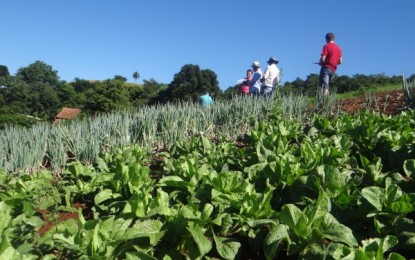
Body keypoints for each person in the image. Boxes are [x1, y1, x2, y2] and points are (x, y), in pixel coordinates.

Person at [318, 32, 342, 97]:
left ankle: (324, 103)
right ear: (333, 38)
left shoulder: (326, 46)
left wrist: (320, 63)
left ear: (326, 39)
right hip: (333, 70)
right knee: (327, 86)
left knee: (324, 87)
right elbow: (340, 61)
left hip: (326, 68)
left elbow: (323, 59)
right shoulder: (339, 48)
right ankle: (327, 103)